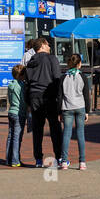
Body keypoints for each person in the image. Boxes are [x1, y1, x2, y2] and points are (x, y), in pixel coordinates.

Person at [24, 36, 63, 166]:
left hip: (34, 96)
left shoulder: (30, 62)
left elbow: (27, 83)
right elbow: (57, 79)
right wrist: (60, 99)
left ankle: (38, 159)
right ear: (42, 46)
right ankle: (59, 156)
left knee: (37, 129)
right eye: (48, 45)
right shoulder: (52, 59)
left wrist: (28, 102)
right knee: (55, 128)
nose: (50, 47)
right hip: (49, 96)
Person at [58, 52, 93, 170]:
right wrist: (87, 111)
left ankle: (64, 161)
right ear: (79, 64)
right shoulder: (82, 76)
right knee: (80, 134)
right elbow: (86, 95)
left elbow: (60, 96)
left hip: (67, 107)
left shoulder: (63, 77)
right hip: (80, 106)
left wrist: (59, 112)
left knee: (66, 134)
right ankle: (82, 161)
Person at [5, 64, 26, 167]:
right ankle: (15, 160)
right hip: (19, 113)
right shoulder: (21, 85)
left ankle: (8, 159)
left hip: (11, 112)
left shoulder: (10, 84)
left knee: (10, 136)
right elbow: (23, 101)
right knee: (17, 137)